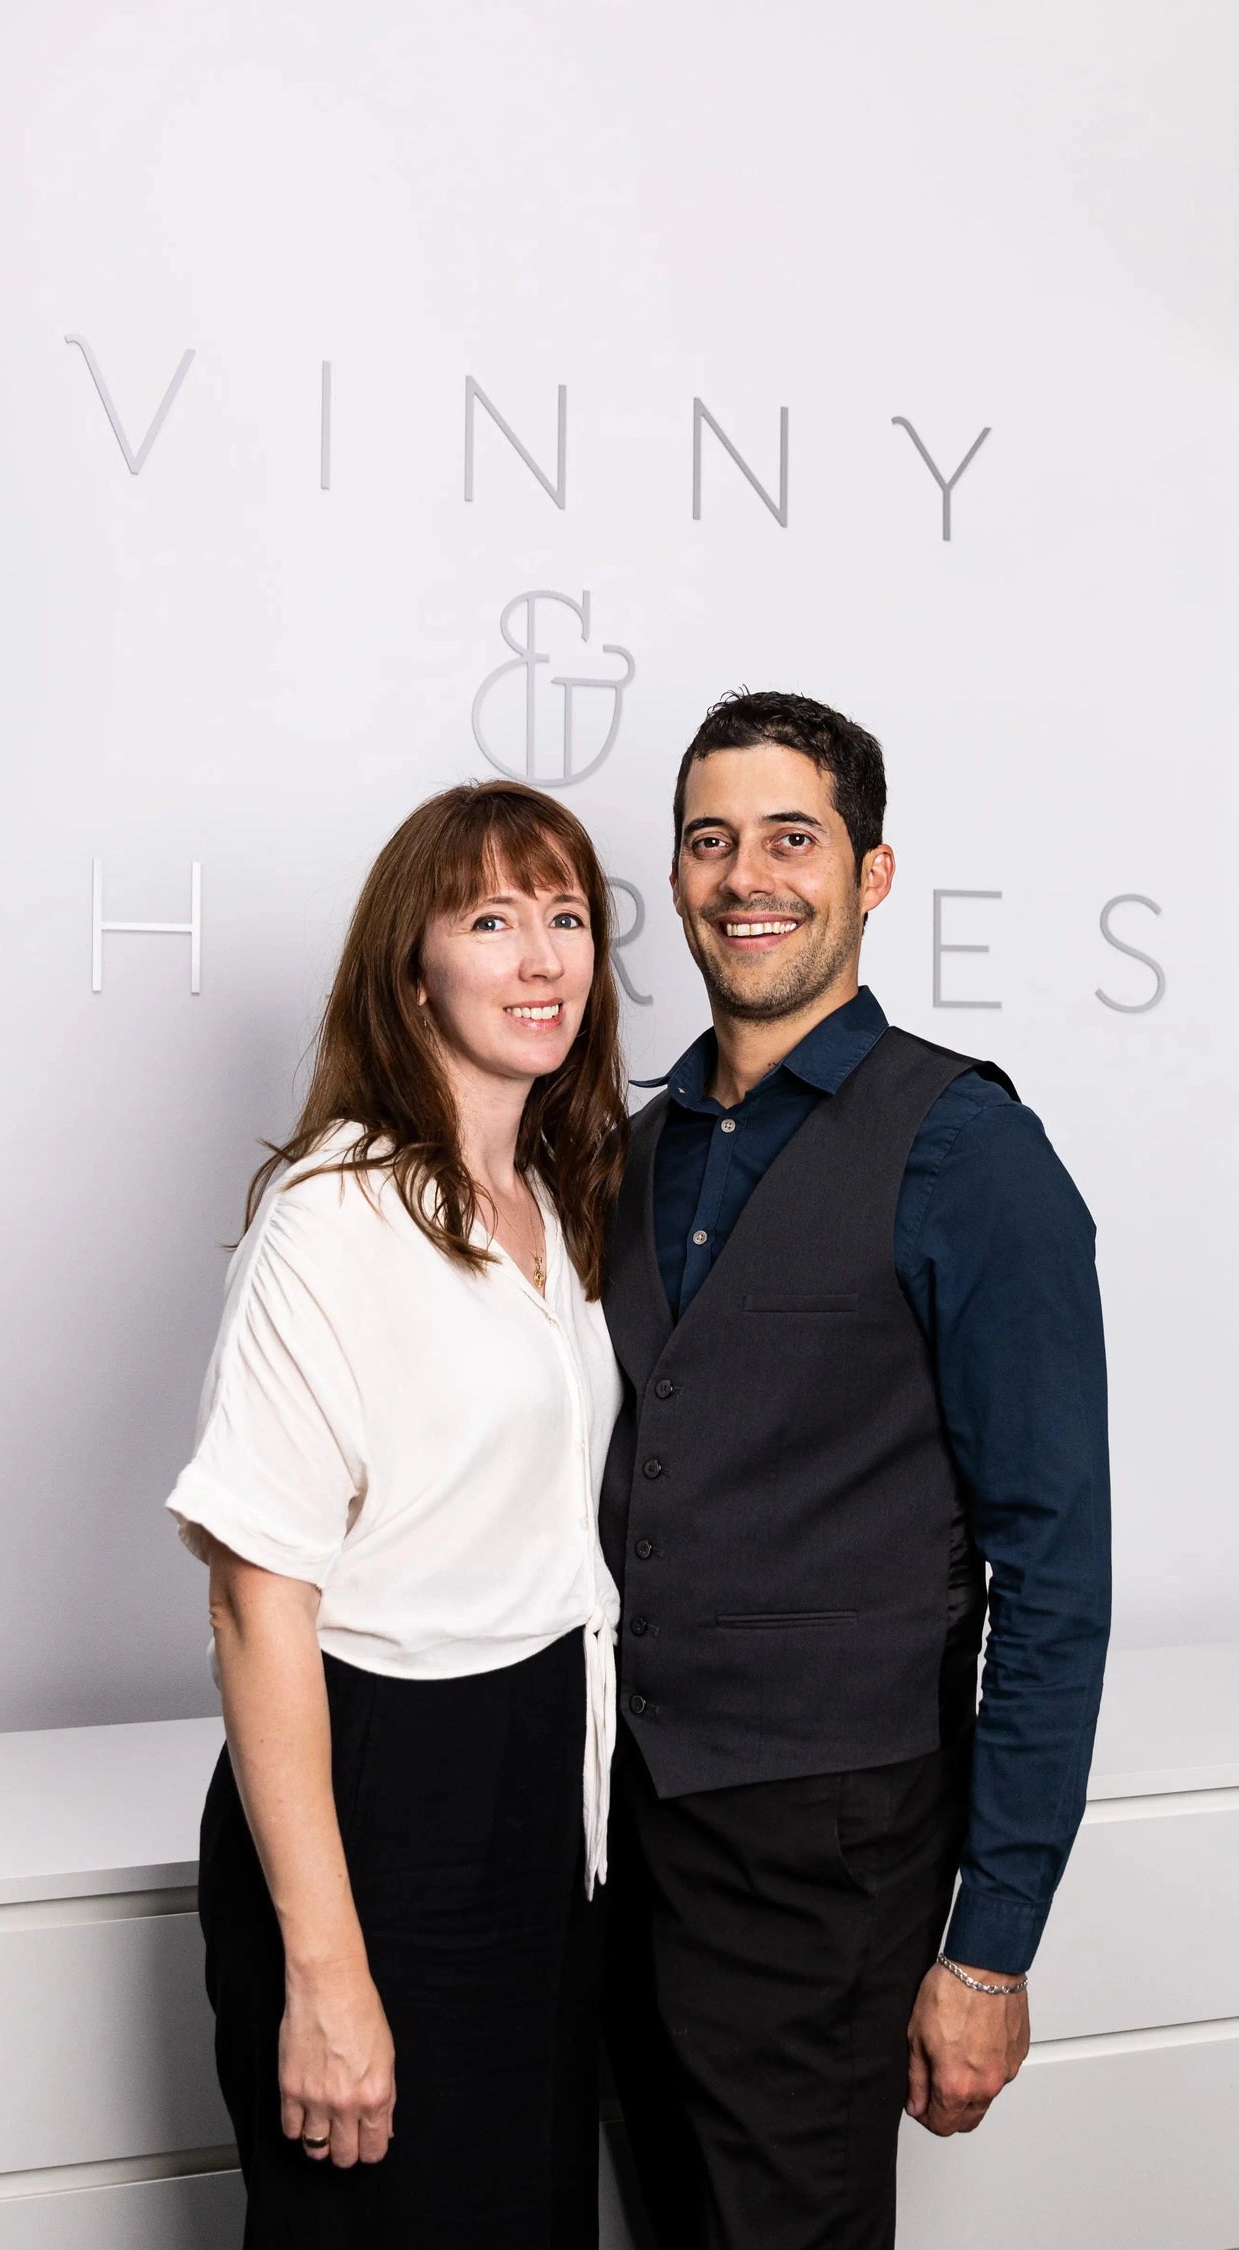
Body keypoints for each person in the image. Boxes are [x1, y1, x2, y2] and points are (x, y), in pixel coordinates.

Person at [599, 691, 1112, 2250]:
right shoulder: (635, 1147)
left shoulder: (969, 1149)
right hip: (628, 1833)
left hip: (834, 1850)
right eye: (711, 840)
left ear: (871, 873)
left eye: (792, 838)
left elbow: (1054, 1569)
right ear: (676, 875)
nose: (746, 875)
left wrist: (991, 1944)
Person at [162, 779, 628, 2250]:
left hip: (547, 1790)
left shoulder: (554, 1190)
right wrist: (326, 1973)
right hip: (386, 1796)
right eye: (491, 920)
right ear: (410, 968)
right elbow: (253, 1602)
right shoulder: (333, 1217)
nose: (542, 958)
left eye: (566, 916)